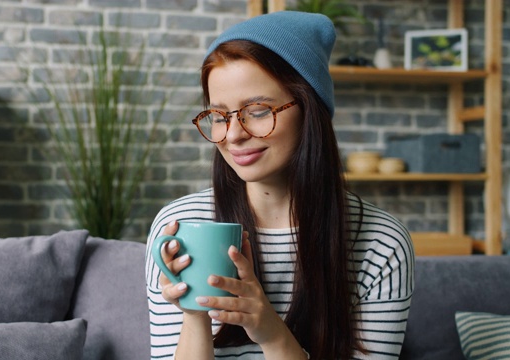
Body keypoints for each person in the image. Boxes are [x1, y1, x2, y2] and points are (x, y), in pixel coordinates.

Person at [145, 11, 414, 360]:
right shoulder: (179, 225)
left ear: (309, 109)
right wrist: (194, 314)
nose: (234, 134)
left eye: (257, 110)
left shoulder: (382, 243)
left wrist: (271, 332)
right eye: (218, 116)